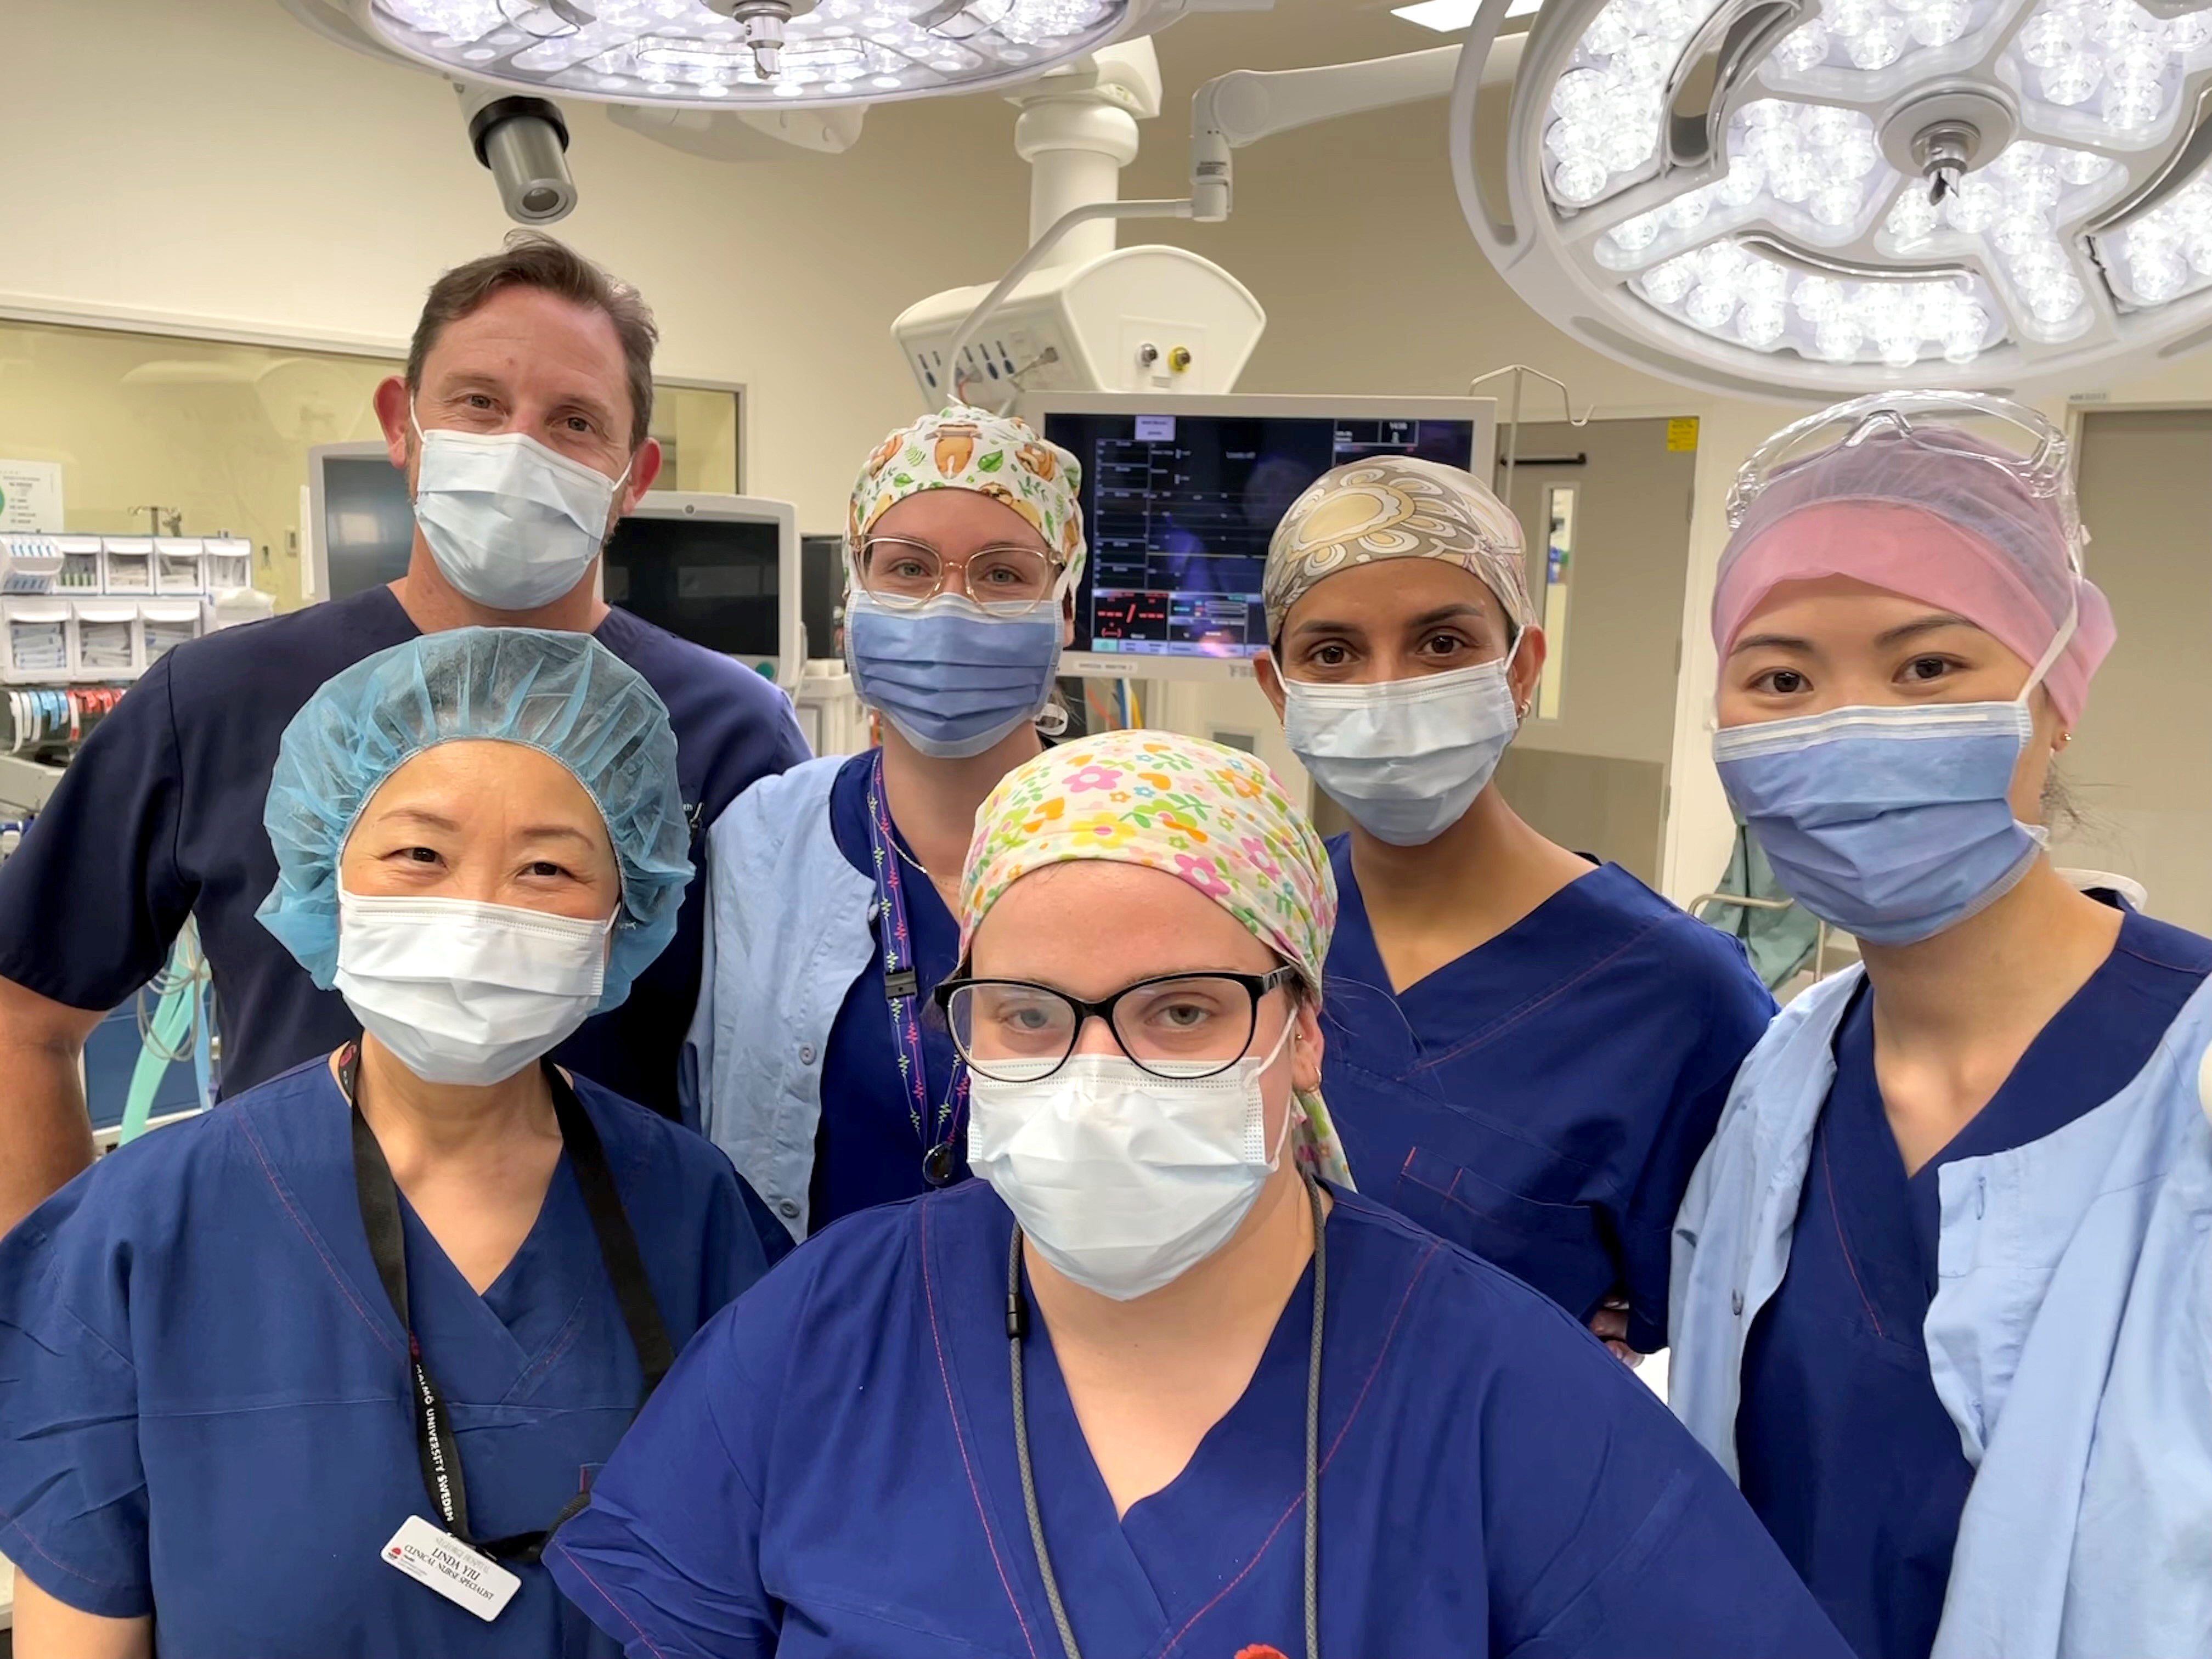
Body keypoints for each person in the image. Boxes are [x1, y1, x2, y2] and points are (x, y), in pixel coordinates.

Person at [545, 729, 1854, 1658]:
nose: (1097, 1072)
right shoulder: (831, 1328)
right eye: (1027, 1014)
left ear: (1306, 1030)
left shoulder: (1495, 1391)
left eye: (1181, 1011)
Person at [0, 233, 807, 1232]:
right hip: (278, 1277)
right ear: (402, 423)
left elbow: (790, 1051)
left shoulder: (731, 730)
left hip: (629, 1298)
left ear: (632, 474)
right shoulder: (215, 697)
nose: (519, 448)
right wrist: (53, 1320)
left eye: (574, 421)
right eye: (478, 403)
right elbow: (22, 1019)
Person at [0, 628, 772, 1659]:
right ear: (328, 871)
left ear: (625, 912)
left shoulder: (700, 1217)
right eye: (420, 854)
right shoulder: (145, 1237)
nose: (476, 914)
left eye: (548, 867)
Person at [1669, 392, 2212, 1659]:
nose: (1849, 722)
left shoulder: (2188, 1082)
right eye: (1782, 677)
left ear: (2054, 698)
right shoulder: (1785, 1078)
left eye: (1929, 667)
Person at [1252, 455, 1774, 1355]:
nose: (1388, 691)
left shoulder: (1679, 997)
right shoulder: (1257, 925)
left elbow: (1718, 1325)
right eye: (1333, 654)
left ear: (1522, 667)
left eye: (1442, 644)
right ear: (1279, 690)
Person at [690, 404, 1083, 1239]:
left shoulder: (1135, 848)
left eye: (1003, 574)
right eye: (906, 569)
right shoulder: (763, 838)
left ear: (1064, 609)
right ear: (852, 603)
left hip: (1052, 1347)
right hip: (805, 1333)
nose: (950, 608)